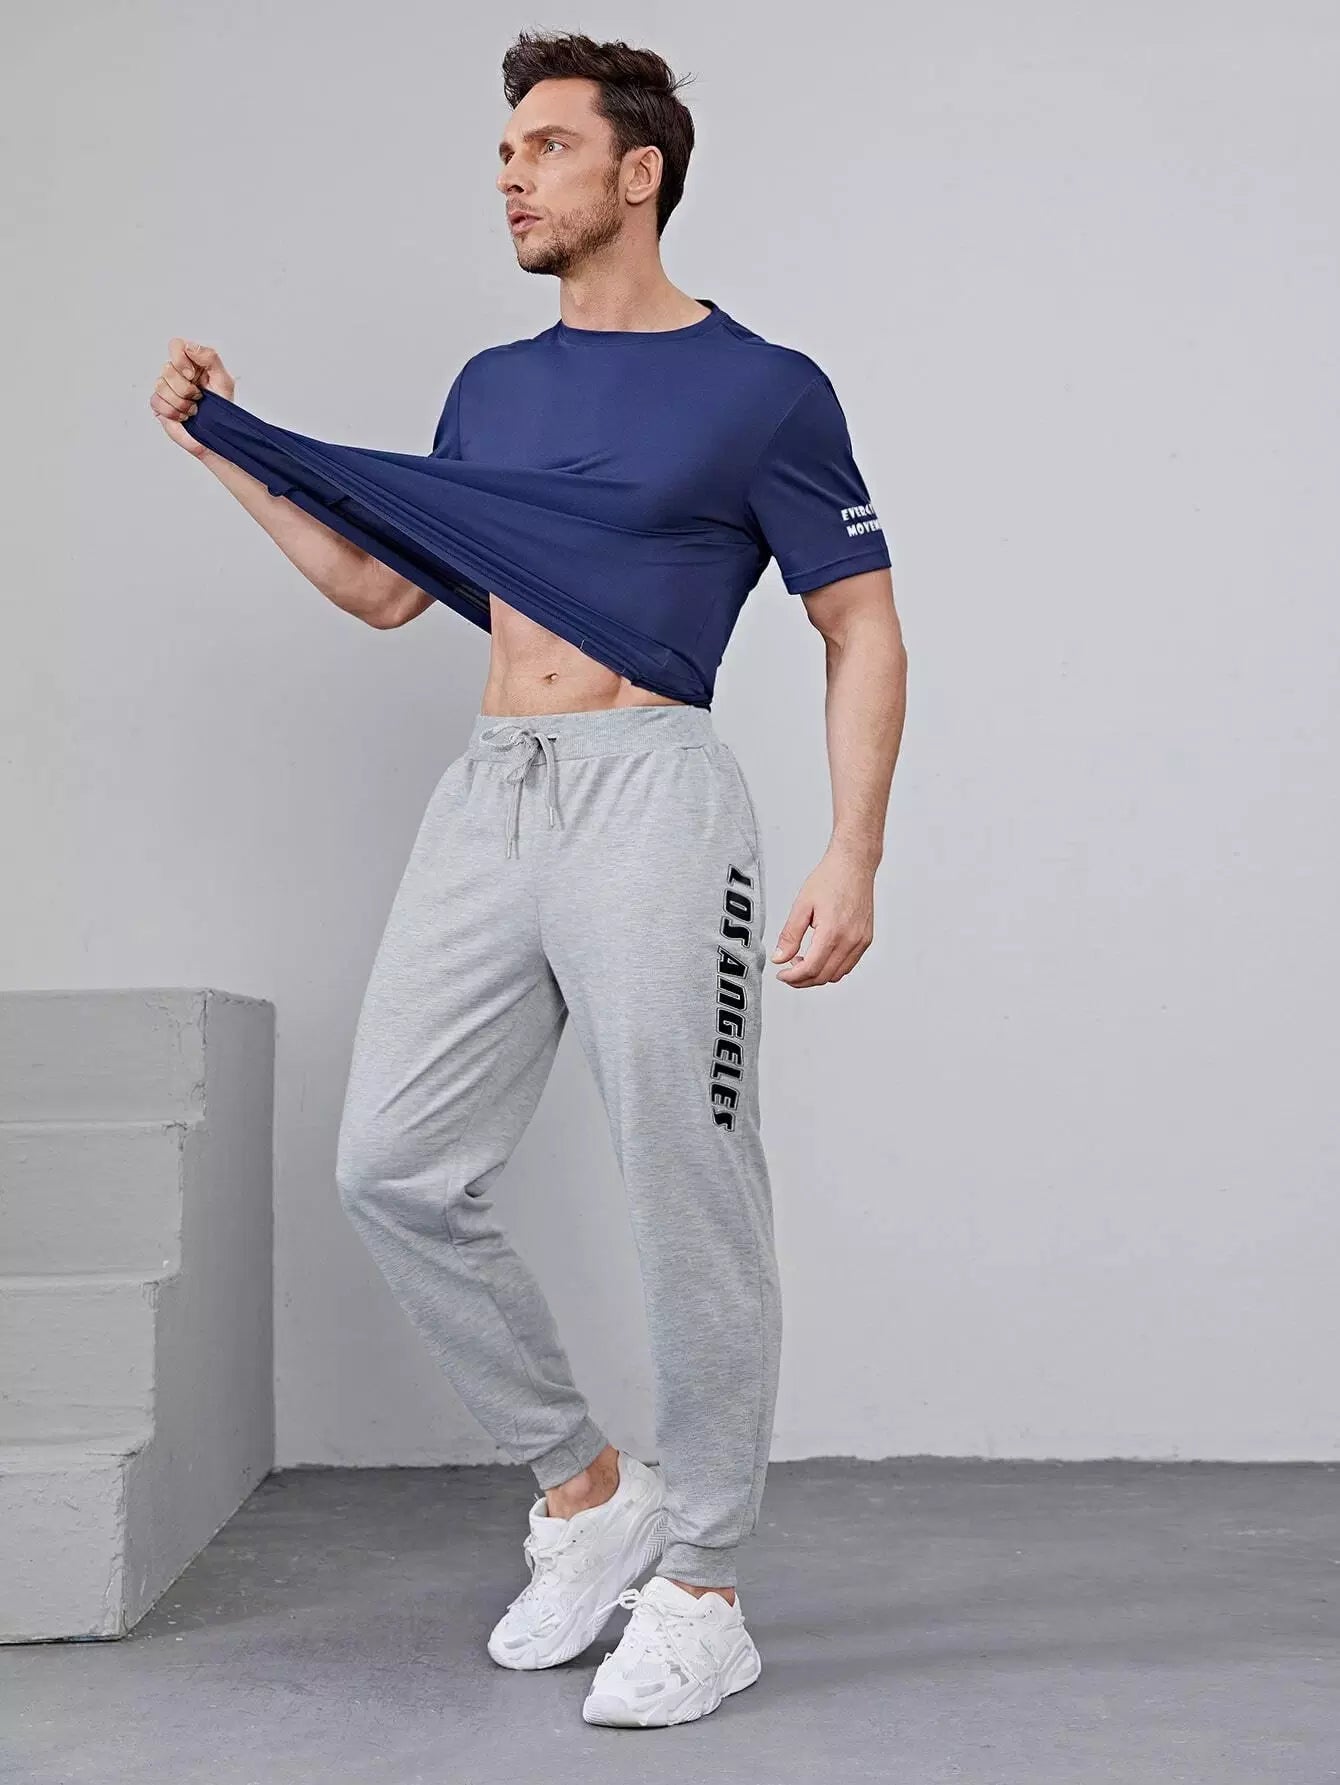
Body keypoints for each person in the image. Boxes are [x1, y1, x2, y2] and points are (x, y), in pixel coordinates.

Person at [150, 28, 907, 1730]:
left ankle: (704, 1582)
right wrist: (225, 447)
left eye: (546, 147)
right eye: (505, 151)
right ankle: (588, 1490)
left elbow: (861, 624)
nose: (511, 174)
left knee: (686, 1182)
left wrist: (855, 848)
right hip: (492, 796)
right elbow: (385, 591)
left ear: (640, 173)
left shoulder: (767, 390)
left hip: (655, 798)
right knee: (392, 1165)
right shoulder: (492, 390)